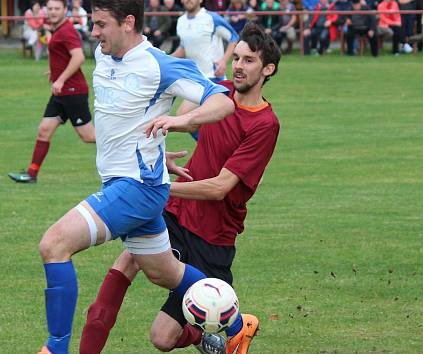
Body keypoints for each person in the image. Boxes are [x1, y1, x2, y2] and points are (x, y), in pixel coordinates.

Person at [33, 0, 248, 352]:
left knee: (54, 244)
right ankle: (239, 325)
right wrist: (154, 152)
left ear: (128, 22)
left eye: (101, 24)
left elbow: (222, 101)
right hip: (129, 182)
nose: (94, 31)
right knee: (167, 274)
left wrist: (179, 121)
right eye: (93, 22)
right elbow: (122, 121)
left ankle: (56, 348)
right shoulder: (104, 57)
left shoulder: (159, 65)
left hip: (137, 189)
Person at [80, 20, 281, 354]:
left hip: (213, 237)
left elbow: (220, 187)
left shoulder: (265, 124)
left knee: (162, 339)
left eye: (249, 61)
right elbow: (176, 118)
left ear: (268, 69)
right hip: (175, 215)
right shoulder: (218, 93)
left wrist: (156, 188)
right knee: (125, 262)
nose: (239, 67)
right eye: (237, 58)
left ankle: (224, 328)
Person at [8, 0, 94, 184]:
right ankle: (31, 174)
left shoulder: (67, 30)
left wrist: (61, 79)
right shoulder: (58, 28)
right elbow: (64, 56)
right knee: (44, 130)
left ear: (65, 10)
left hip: (72, 91)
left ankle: (130, 145)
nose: (53, 12)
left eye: (57, 9)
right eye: (51, 9)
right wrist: (55, 72)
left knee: (89, 137)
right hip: (61, 93)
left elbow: (78, 57)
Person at [172, 0, 239, 83]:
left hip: (214, 79)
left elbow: (234, 38)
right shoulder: (181, 21)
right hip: (193, 79)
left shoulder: (212, 18)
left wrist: (224, 61)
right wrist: (165, 58)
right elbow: (184, 47)